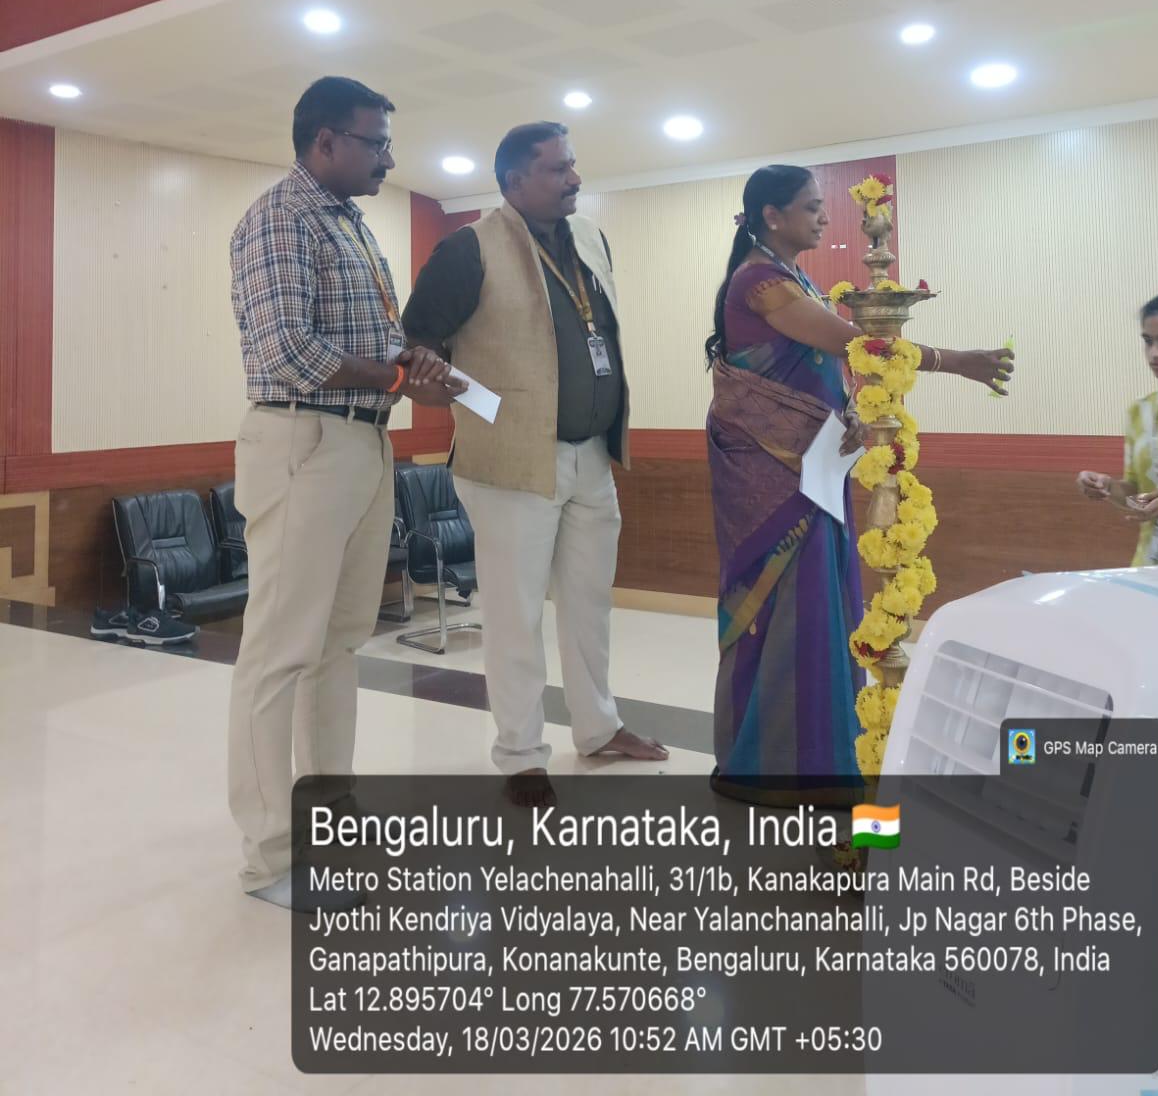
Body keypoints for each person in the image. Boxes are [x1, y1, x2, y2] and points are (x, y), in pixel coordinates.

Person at [704, 164, 1013, 797]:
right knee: (785, 605)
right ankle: (771, 764)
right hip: (773, 477)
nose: (824, 216)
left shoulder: (794, 277)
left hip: (814, 465)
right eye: (811, 206)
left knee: (821, 602)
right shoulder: (760, 281)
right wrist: (957, 361)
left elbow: (821, 371)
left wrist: (846, 412)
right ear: (772, 216)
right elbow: (853, 344)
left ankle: (823, 753)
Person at [228, 77, 463, 907]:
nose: (388, 160)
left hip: (364, 441)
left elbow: (369, 339)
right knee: (279, 652)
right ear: (325, 141)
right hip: (304, 440)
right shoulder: (279, 217)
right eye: (376, 143)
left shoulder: (350, 222)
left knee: (337, 643)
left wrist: (412, 362)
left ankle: (328, 817)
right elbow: (290, 350)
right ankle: (270, 855)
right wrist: (398, 374)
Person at [402, 121, 668, 806]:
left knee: (589, 606)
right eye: (557, 169)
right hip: (509, 465)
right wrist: (468, 397)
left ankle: (598, 728)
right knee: (515, 614)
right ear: (514, 180)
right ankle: (520, 753)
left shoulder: (590, 238)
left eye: (573, 165)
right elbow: (418, 342)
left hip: (592, 457)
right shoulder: (468, 248)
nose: (574, 178)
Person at [1076, 292, 1158, 566]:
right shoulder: (1140, 412)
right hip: (1151, 569)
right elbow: (1137, 497)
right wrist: (1108, 488)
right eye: (1148, 341)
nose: (1155, 352)